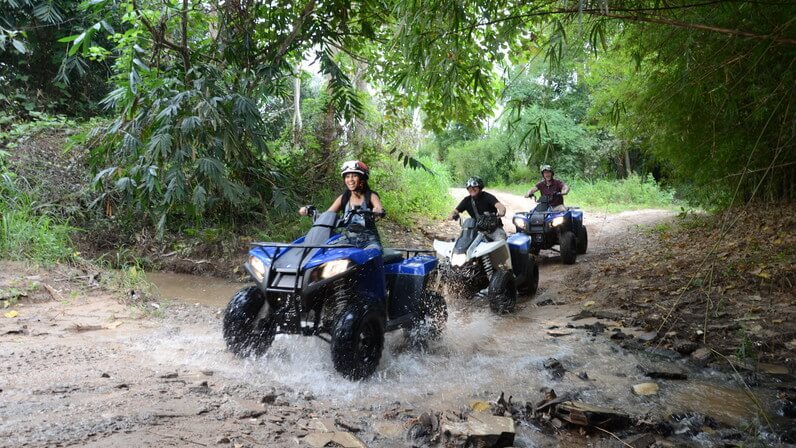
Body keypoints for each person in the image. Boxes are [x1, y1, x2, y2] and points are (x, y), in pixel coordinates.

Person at [299, 160, 384, 249]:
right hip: (347, 240)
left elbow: (378, 207)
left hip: (369, 241)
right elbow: (328, 215)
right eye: (347, 176)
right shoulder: (344, 198)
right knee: (324, 252)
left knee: (372, 254)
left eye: (354, 176)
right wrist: (310, 211)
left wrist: (377, 211)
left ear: (362, 179)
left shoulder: (370, 196)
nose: (350, 179)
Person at [448, 176, 507, 241]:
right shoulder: (466, 201)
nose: (472, 189)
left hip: (494, 230)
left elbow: (500, 206)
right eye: (469, 188)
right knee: (463, 242)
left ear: (480, 188)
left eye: (474, 187)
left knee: (501, 241)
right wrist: (452, 215)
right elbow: (455, 211)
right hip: (477, 231)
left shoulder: (487, 197)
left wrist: (502, 211)